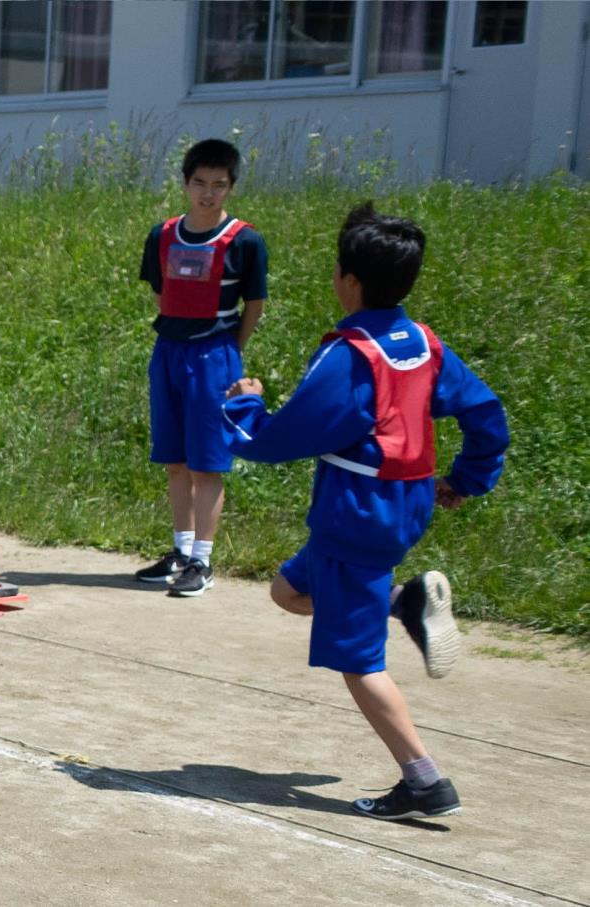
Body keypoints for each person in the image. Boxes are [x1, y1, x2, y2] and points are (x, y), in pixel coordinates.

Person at [222, 202, 508, 820]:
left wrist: (245, 409)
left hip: (356, 513)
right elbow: (487, 415)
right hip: (403, 503)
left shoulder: (350, 355)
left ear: (348, 281)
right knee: (287, 591)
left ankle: (424, 779)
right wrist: (467, 479)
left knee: (358, 662)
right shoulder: (423, 342)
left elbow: (285, 437)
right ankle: (402, 602)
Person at [134, 140, 269, 596]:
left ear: (231, 187)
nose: (208, 194)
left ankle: (203, 562)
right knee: (174, 460)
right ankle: (179, 551)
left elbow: (255, 303)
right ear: (185, 184)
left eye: (218, 185)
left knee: (206, 464)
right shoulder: (162, 234)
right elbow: (159, 292)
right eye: (200, 184)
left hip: (215, 356)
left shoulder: (246, 241)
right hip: (169, 352)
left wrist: (231, 349)